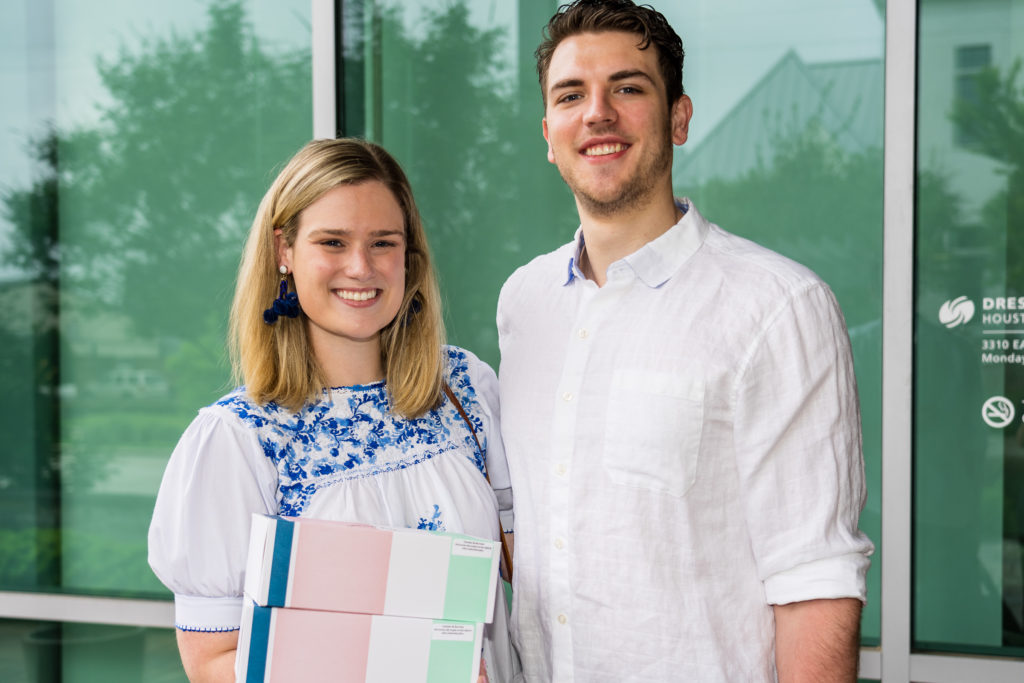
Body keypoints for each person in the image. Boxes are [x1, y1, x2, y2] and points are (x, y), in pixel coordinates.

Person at [496, 1, 874, 681]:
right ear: (548, 133)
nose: (598, 113)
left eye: (629, 88)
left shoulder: (778, 306)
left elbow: (815, 578)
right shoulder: (523, 303)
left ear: (679, 117)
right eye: (571, 94)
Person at [149, 138, 520, 682]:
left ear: (408, 254)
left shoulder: (463, 387)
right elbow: (215, 663)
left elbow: (532, 572)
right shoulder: (238, 440)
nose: (360, 267)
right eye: (332, 241)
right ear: (284, 250)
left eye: (383, 243)